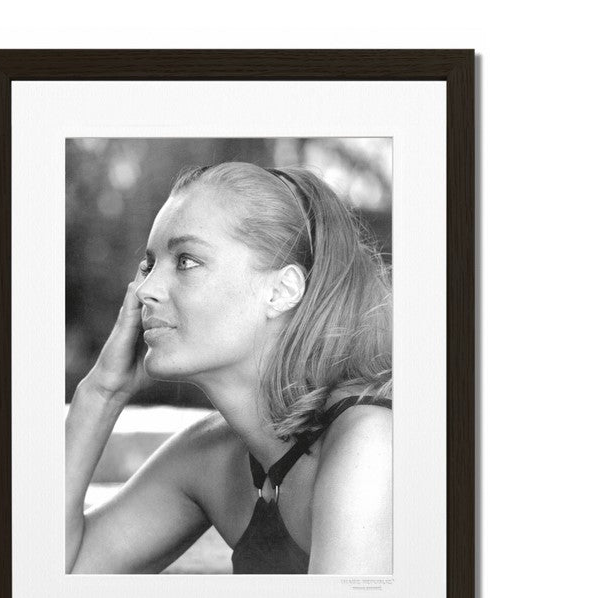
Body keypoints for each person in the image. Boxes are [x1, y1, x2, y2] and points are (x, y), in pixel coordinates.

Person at [65, 161, 392, 575]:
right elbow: (51, 579)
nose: (144, 290)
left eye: (186, 261)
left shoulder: (370, 444)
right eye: (149, 265)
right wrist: (101, 392)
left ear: (282, 290)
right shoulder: (214, 459)